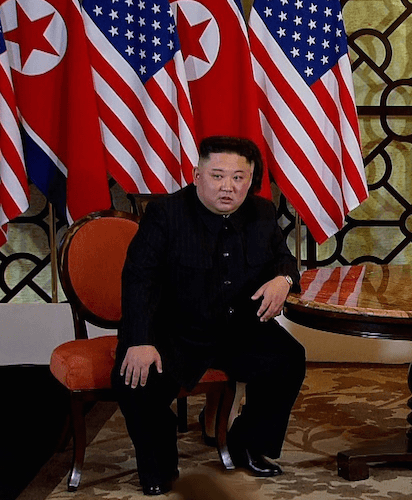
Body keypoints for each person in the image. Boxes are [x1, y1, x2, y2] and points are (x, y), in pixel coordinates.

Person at [113, 136, 306, 496]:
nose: (228, 187)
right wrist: (140, 340)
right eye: (217, 176)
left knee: (289, 358)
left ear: (251, 180)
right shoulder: (165, 215)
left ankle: (246, 444)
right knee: (133, 381)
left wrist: (284, 279)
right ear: (197, 174)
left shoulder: (262, 213)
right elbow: (139, 279)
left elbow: (284, 260)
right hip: (174, 332)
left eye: (238, 178)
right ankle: (161, 465)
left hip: (237, 329)